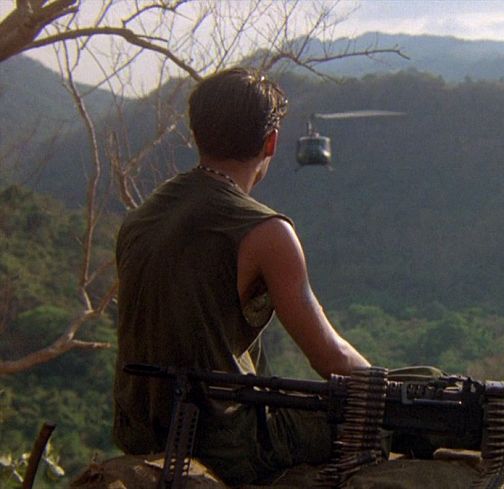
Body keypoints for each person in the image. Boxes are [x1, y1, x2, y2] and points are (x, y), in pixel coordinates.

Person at [112, 67, 370, 485]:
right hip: (222, 441)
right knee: (407, 399)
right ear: (271, 142)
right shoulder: (266, 231)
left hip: (139, 431)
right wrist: (385, 391)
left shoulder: (139, 219)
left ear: (197, 134)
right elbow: (330, 357)